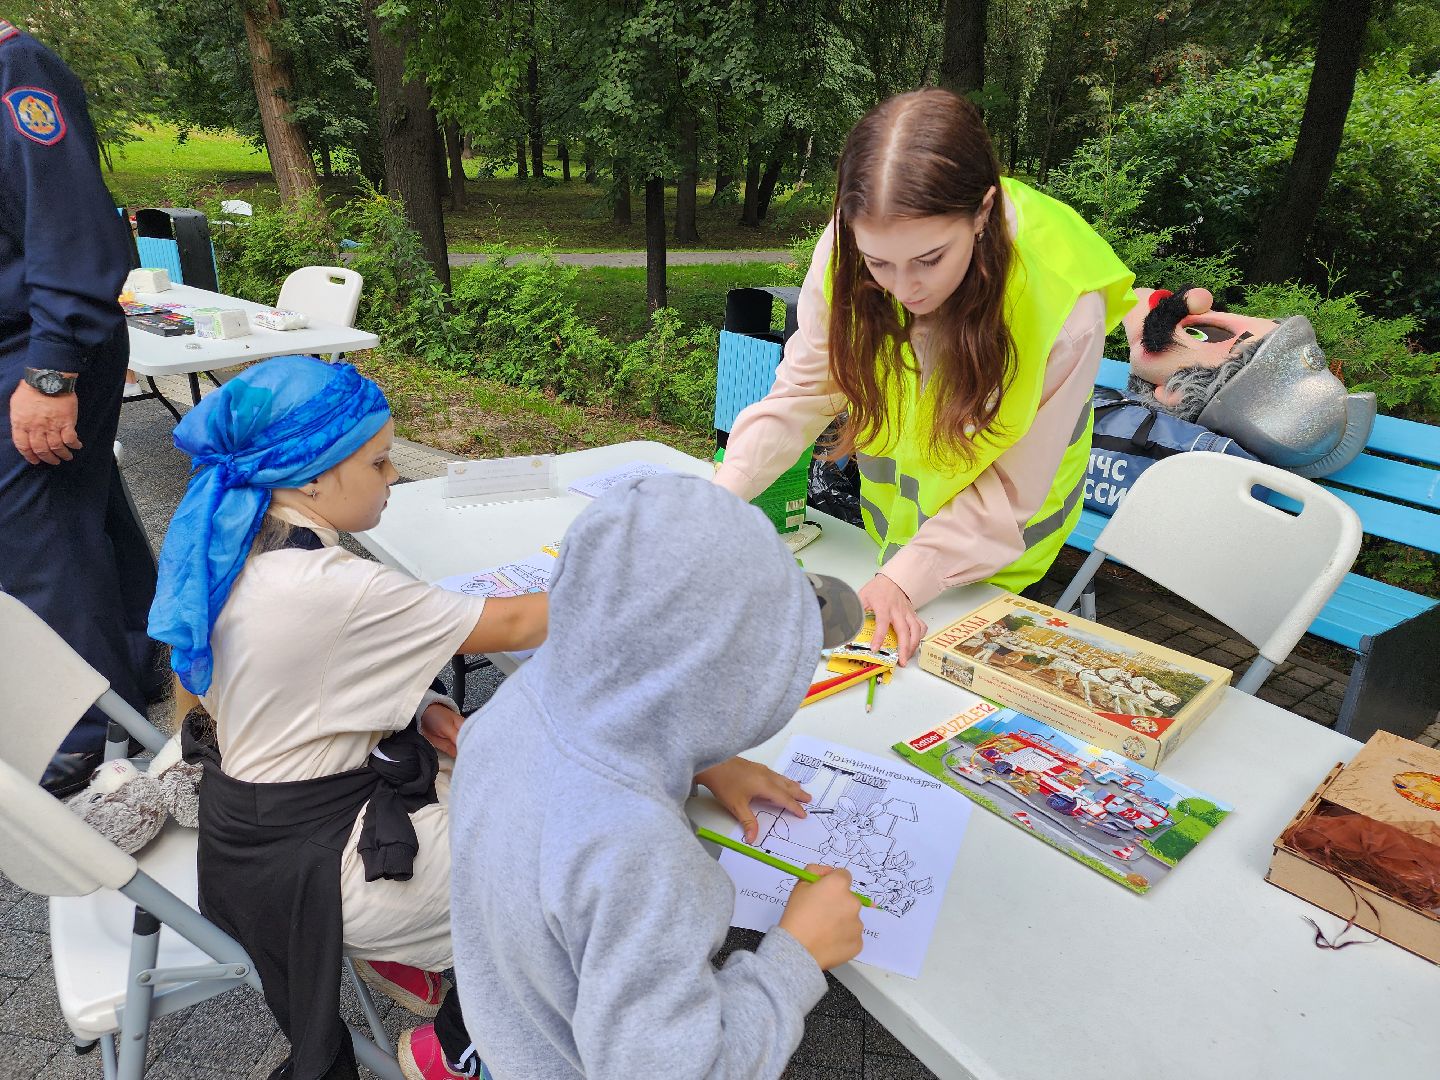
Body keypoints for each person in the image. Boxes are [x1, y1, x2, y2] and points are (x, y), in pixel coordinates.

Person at [148, 356, 547, 1080]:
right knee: (575, 860)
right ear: (310, 477)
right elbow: (521, 620)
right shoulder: (330, 585)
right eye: (381, 460)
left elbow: (312, 686)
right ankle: (458, 1045)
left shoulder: (236, 541)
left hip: (253, 837)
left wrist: (425, 709)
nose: (395, 476)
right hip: (317, 867)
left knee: (510, 781)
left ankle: (414, 950)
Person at [450, 473, 868, 1080]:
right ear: (734, 686)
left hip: (512, 1039)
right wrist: (797, 956)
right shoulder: (639, 856)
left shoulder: (506, 714)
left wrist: (696, 757)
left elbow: (613, 715)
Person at [714, 88, 1135, 665]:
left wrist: (907, 578)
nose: (905, 289)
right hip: (893, 526)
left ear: (983, 212)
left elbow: (1010, 494)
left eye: (931, 259)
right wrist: (720, 495)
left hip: (995, 551)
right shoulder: (847, 244)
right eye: (879, 263)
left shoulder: (1062, 304)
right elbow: (805, 391)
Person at [0, 18, 158, 794]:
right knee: (77, 515)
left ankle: (88, 743)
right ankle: (143, 656)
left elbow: (70, 229)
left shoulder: (14, 65)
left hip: (34, 349)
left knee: (40, 546)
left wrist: (53, 371)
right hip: (28, 344)